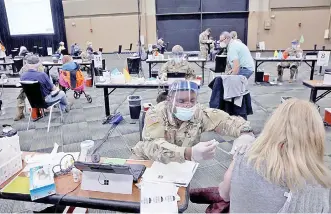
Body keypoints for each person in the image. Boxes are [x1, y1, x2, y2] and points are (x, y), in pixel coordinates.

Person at [190, 99, 331, 213]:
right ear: (316, 136)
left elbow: (224, 193)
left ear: (272, 125)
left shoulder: (243, 158)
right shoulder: (320, 184)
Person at [131, 80, 255, 163]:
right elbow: (152, 146)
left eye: (192, 101)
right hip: (146, 160)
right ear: (169, 100)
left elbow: (226, 121)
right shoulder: (155, 113)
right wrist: (188, 153)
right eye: (181, 101)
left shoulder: (198, 113)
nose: (188, 105)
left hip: (178, 164)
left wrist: (245, 133)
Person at [14, 55, 46, 121]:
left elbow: (21, 76)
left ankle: (19, 114)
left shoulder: (24, 68)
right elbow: (43, 77)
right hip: (38, 88)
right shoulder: (40, 67)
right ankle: (41, 111)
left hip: (27, 88)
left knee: (20, 97)